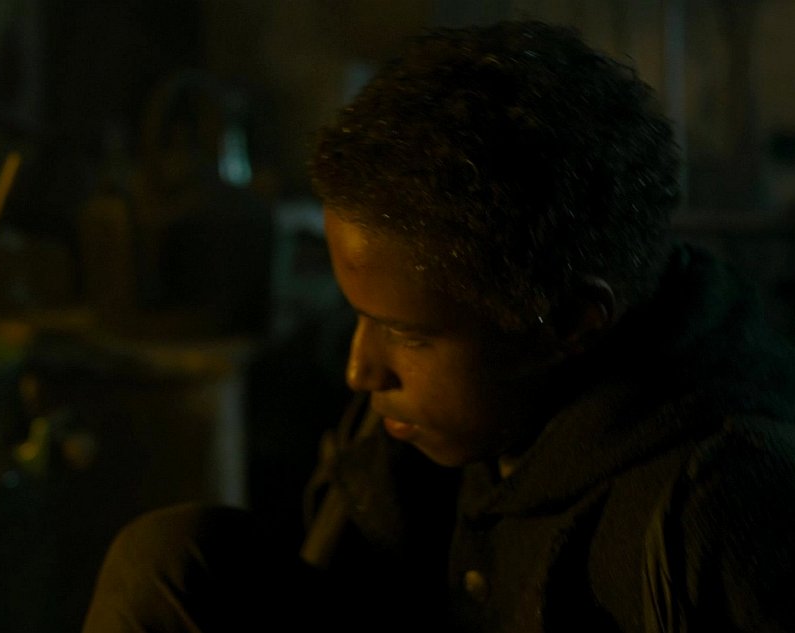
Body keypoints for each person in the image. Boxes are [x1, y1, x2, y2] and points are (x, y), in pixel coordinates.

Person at [82, 20, 795, 632]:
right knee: (171, 561)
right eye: (360, 318)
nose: (361, 370)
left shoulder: (722, 505)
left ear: (570, 324)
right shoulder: (425, 428)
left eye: (409, 335)